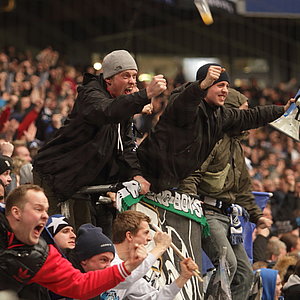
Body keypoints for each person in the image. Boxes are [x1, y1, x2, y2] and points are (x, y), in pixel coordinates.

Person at [32, 49, 167, 231]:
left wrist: (136, 174)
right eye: (126, 75)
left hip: (83, 183)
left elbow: (127, 145)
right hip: (54, 176)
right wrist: (145, 94)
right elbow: (107, 111)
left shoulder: (122, 105)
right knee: (53, 237)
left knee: (88, 238)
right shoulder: (90, 95)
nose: (132, 81)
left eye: (134, 76)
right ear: (108, 79)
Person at [137, 63, 294, 193]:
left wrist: (281, 110)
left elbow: (251, 116)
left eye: (226, 86)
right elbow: (185, 103)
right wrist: (202, 85)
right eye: (220, 85)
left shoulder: (220, 115)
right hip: (143, 175)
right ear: (205, 87)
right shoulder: (184, 106)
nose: (225, 90)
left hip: (164, 184)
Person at [177, 88, 274, 299]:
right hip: (207, 213)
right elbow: (191, 175)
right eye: (243, 111)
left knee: (245, 274)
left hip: (228, 216)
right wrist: (192, 208)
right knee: (226, 264)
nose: (246, 117)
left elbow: (242, 190)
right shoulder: (211, 140)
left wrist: (258, 217)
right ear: (231, 111)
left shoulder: (237, 147)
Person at [0, 184, 147, 299]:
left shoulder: (42, 254)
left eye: (46, 210)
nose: (45, 216)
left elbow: (81, 285)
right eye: (38, 209)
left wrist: (128, 266)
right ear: (16, 212)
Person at [70, 211, 198, 300]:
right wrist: (160, 247)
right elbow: (122, 278)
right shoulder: (103, 257)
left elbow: (156, 298)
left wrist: (183, 277)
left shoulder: (132, 272)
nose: (149, 239)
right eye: (146, 233)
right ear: (129, 236)